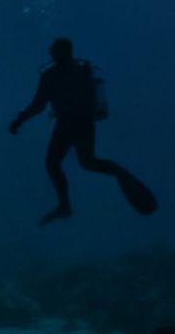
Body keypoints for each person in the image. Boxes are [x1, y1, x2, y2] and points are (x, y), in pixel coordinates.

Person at [9, 38, 155, 225]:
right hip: (85, 122)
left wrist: (19, 121)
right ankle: (119, 172)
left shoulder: (51, 75)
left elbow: (38, 105)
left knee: (53, 163)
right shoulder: (82, 69)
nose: (52, 55)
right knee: (87, 162)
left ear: (58, 53)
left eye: (54, 52)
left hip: (67, 124)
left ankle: (65, 205)